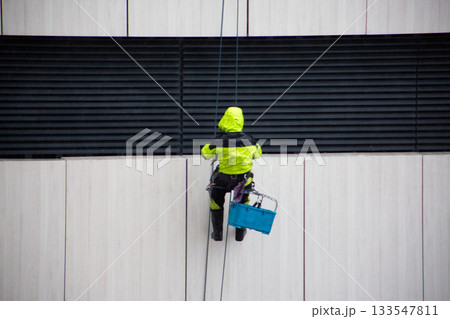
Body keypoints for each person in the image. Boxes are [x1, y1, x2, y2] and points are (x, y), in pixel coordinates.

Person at [201, 107, 262, 242]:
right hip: (243, 180)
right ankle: (240, 234)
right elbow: (257, 155)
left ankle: (217, 233)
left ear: (225, 120)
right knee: (243, 201)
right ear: (240, 120)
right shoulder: (249, 141)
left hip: (223, 179)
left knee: (215, 199)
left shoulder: (219, 141)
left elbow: (205, 153)